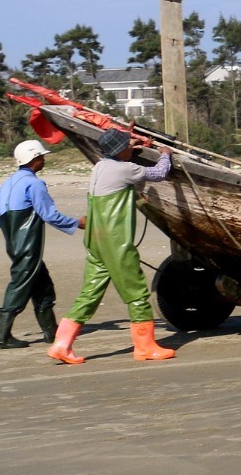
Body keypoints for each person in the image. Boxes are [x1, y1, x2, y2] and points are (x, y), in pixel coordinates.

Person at [48, 128, 177, 365]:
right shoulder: (126, 169)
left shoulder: (100, 166)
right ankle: (145, 347)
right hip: (116, 242)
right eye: (128, 145)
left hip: (95, 240)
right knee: (136, 292)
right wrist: (165, 153)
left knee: (90, 293)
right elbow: (160, 173)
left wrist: (133, 148)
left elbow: (123, 164)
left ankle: (62, 344)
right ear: (121, 150)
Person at [0, 139, 82, 349]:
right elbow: (48, 214)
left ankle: (51, 332)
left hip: (14, 246)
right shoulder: (34, 184)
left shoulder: (6, 185)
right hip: (28, 245)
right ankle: (1, 336)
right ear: (34, 159)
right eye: (41, 157)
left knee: (42, 285)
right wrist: (77, 223)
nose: (44, 160)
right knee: (20, 285)